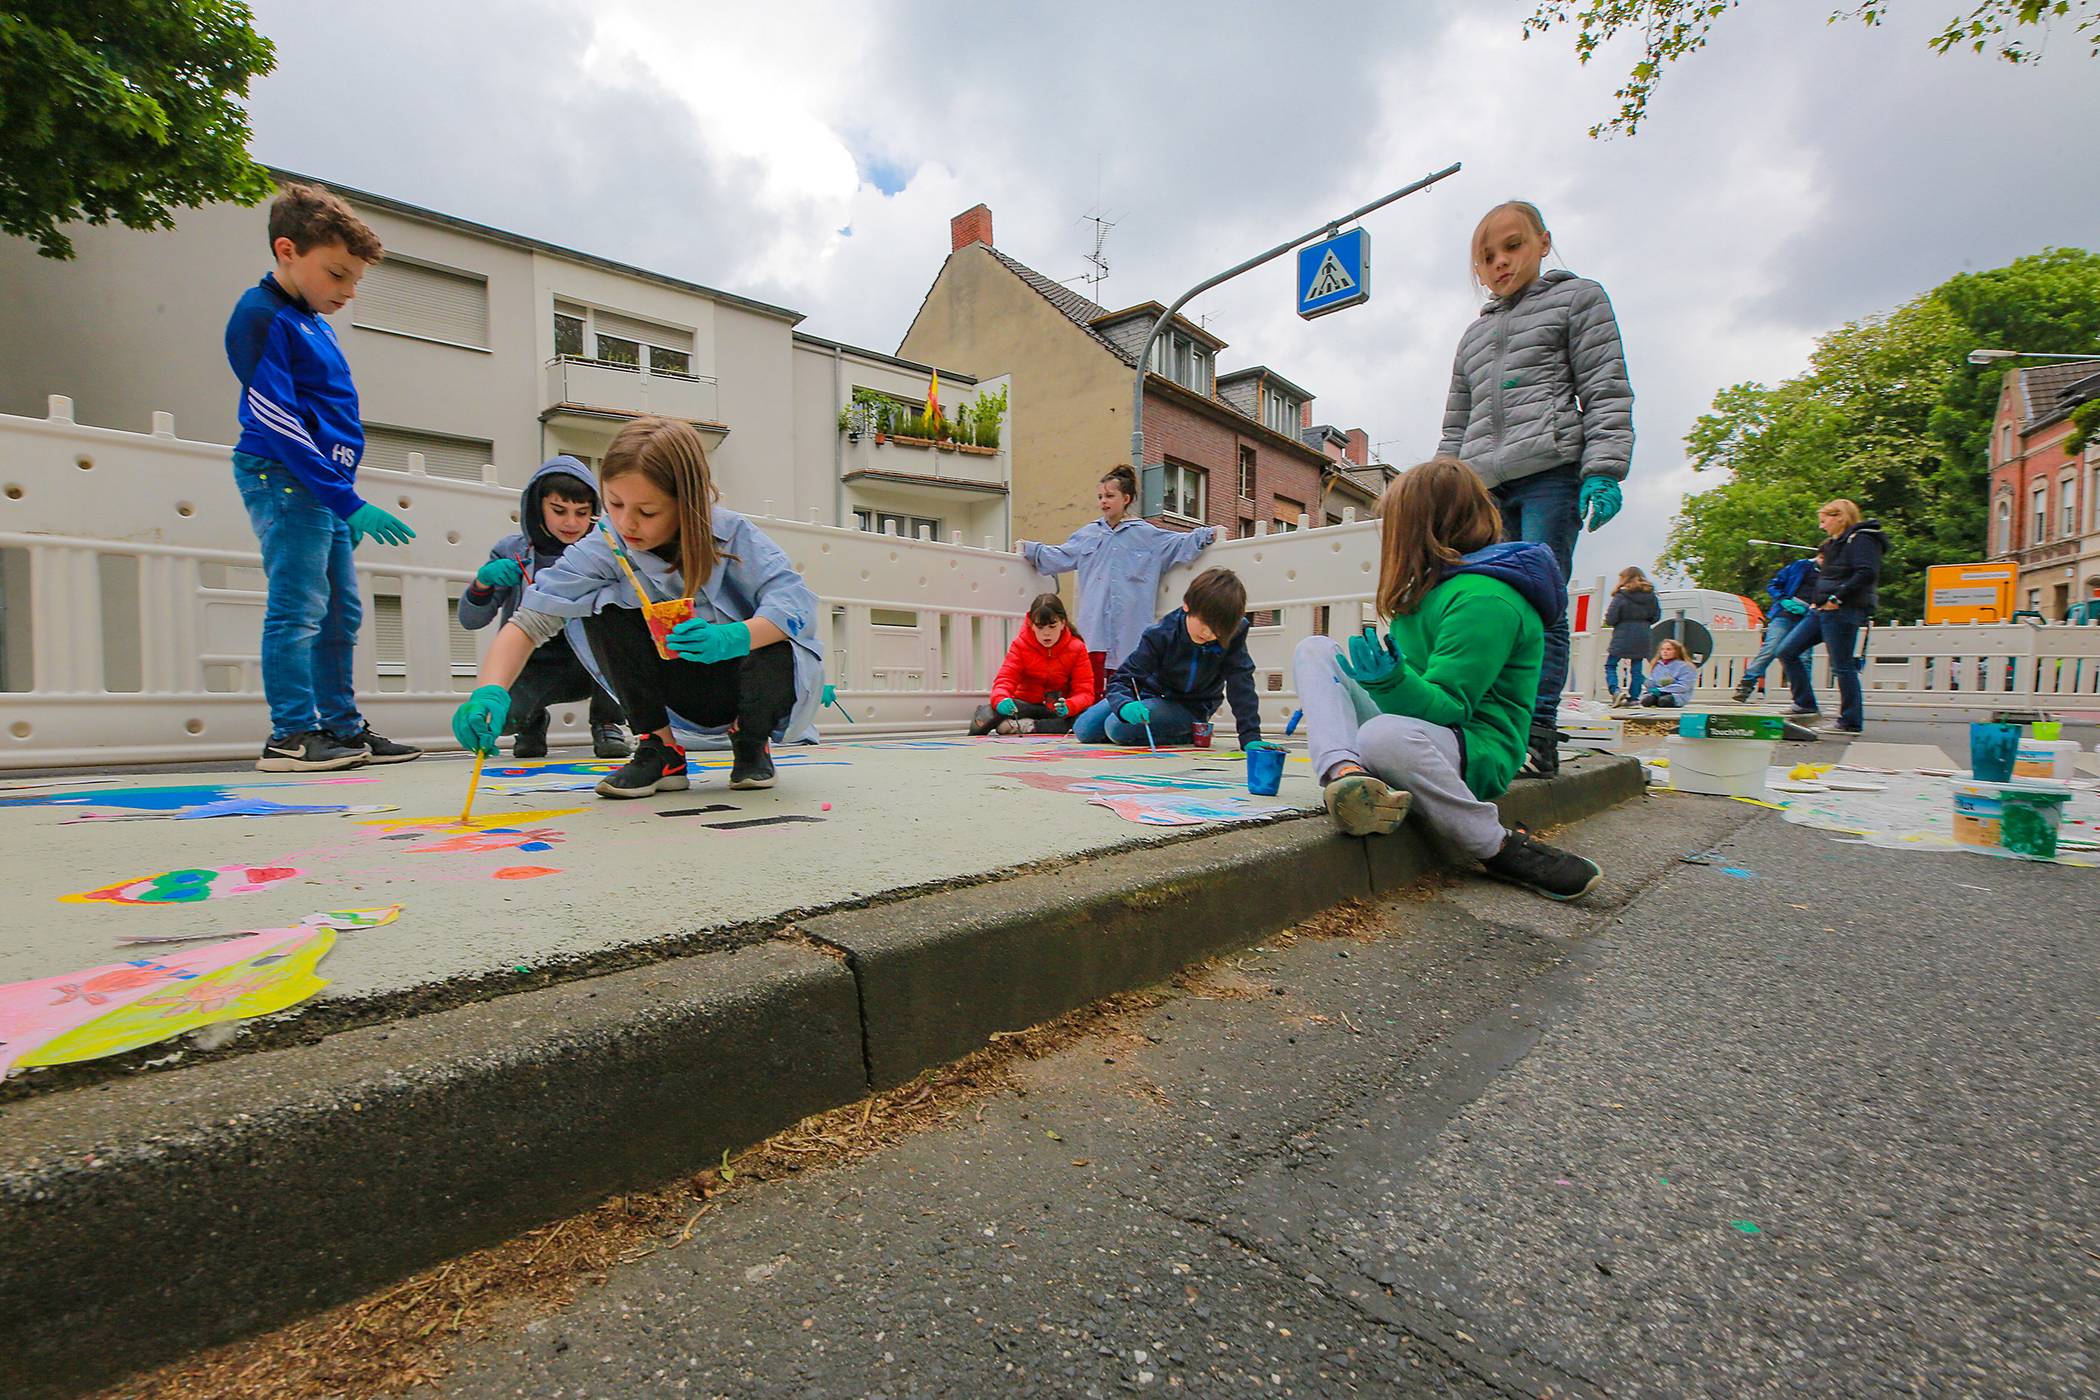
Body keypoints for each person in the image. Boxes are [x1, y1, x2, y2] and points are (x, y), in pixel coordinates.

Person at [450, 417, 825, 798]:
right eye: (614, 503)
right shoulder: (605, 546)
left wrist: (733, 637)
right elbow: (531, 619)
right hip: (674, 687)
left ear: (686, 503)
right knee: (601, 606)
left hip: (743, 683)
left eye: (647, 512)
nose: (627, 523)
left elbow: (793, 603)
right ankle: (659, 749)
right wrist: (490, 691)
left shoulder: (733, 534)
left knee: (777, 640)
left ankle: (750, 740)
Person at [1294, 457, 1600, 900]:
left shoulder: (1486, 598)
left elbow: (1452, 709)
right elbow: (1414, 699)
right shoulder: (1431, 587)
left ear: (1424, 525)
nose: (1388, 538)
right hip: (1419, 725)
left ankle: (1495, 845)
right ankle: (1347, 777)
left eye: (1395, 524)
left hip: (1474, 750)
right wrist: (1374, 685)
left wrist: (1388, 682)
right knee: (1316, 650)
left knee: (1384, 736)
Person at [224, 183, 422, 772]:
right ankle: (290, 735)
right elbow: (280, 419)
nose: (348, 292)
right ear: (288, 250)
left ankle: (341, 729)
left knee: (342, 612)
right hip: (285, 478)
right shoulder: (260, 316)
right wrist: (346, 501)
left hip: (321, 488)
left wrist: (344, 501)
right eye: (337, 275)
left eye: (355, 281)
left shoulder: (314, 323)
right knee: (298, 606)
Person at [1439, 200, 1633, 778]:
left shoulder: (1579, 300)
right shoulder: (1473, 338)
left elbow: (1606, 386)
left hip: (1550, 472)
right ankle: (1488, 729)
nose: (1500, 262)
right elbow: (1455, 425)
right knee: (1485, 606)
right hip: (1482, 488)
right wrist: (1440, 498)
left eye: (1512, 246)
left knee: (1543, 605)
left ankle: (1536, 733)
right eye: (1487, 256)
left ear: (1543, 242)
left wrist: (1604, 467)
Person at [457, 456, 630, 760]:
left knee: (618, 644)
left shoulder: (603, 552)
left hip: (590, 656)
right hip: (535, 660)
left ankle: (607, 721)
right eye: (559, 511)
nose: (571, 523)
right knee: (507, 716)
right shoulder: (512, 551)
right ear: (538, 507)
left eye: (582, 513)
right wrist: (482, 584)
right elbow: (471, 620)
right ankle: (530, 721)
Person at [1019, 465, 1217, 696]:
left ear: (1126, 498)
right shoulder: (1088, 534)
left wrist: (1206, 535)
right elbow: (1061, 556)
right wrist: (1031, 550)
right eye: (1100, 496)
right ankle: (1089, 725)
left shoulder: (1146, 535)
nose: (1104, 501)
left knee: (1127, 687)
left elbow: (1178, 544)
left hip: (1129, 631)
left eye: (1110, 496)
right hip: (1095, 630)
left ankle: (1122, 725)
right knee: (1089, 687)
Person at [1072, 568, 1266, 751]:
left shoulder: (1232, 636)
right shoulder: (1161, 634)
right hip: (1150, 694)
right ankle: (1148, 727)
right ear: (1187, 605)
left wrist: (1250, 737)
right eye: (1205, 623)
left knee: (1116, 728)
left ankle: (1186, 732)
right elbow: (1123, 678)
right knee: (1085, 729)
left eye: (1218, 629)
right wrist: (1124, 705)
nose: (1208, 633)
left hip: (1190, 707)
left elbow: (1241, 685)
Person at [1774, 500, 1885, 734]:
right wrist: (1819, 600)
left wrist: (1838, 598)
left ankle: (1850, 720)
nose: (1821, 526)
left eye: (1824, 520)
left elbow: (1866, 572)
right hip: (1823, 608)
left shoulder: (1863, 539)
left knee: (1842, 665)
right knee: (1787, 651)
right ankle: (1804, 703)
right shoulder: (1834, 544)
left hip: (1843, 609)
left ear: (1840, 517)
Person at [970, 593, 1096, 736]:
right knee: (987, 715)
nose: (1046, 633)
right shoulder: (1020, 645)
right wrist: (1001, 699)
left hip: (1057, 710)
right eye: (1040, 627)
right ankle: (1020, 724)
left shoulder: (1077, 648)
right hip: (1025, 705)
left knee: (1087, 718)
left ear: (1063, 623)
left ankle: (1027, 726)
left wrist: (1070, 705)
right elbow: (1005, 680)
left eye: (1052, 626)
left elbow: (1085, 691)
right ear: (1031, 624)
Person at [1731, 553, 1819, 703]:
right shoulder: (1800, 566)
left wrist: (1812, 609)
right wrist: (1784, 600)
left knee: (1804, 657)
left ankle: (1802, 697)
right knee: (1771, 647)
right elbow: (1774, 585)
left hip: (1808, 617)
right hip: (1784, 614)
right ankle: (1746, 684)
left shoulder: (1833, 572)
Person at [1603, 566, 1659, 703]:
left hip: (1623, 633)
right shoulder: (1651, 595)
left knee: (1611, 665)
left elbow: (1611, 619)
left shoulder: (1621, 596)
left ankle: (1615, 691)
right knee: (1636, 668)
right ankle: (1634, 698)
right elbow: (1656, 616)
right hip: (1643, 634)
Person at [1637, 638, 1697, 708]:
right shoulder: (1657, 665)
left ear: (1676, 651)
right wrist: (1645, 681)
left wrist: (1662, 690)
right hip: (1658, 693)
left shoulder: (1686, 666)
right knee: (1647, 701)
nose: (1665, 652)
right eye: (1662, 649)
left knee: (1664, 701)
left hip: (1677, 694)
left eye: (1668, 649)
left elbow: (1684, 686)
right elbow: (1654, 682)